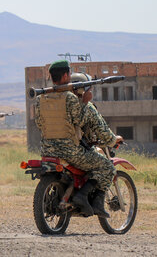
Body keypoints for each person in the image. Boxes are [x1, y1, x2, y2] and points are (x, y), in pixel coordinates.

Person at [35, 60, 123, 218]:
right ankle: (87, 198)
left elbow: (39, 123)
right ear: (64, 75)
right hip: (71, 153)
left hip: (47, 151)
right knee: (107, 167)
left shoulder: (41, 99)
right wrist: (85, 102)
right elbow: (81, 121)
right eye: (68, 73)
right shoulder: (71, 98)